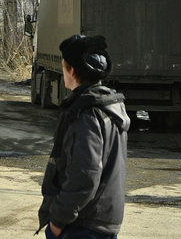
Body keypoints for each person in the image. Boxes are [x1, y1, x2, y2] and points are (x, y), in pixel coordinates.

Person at [38, 34, 128, 239]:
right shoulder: (109, 106)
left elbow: (85, 175)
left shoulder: (86, 113)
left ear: (71, 70)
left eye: (64, 65)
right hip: (101, 220)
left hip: (82, 226)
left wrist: (57, 222)